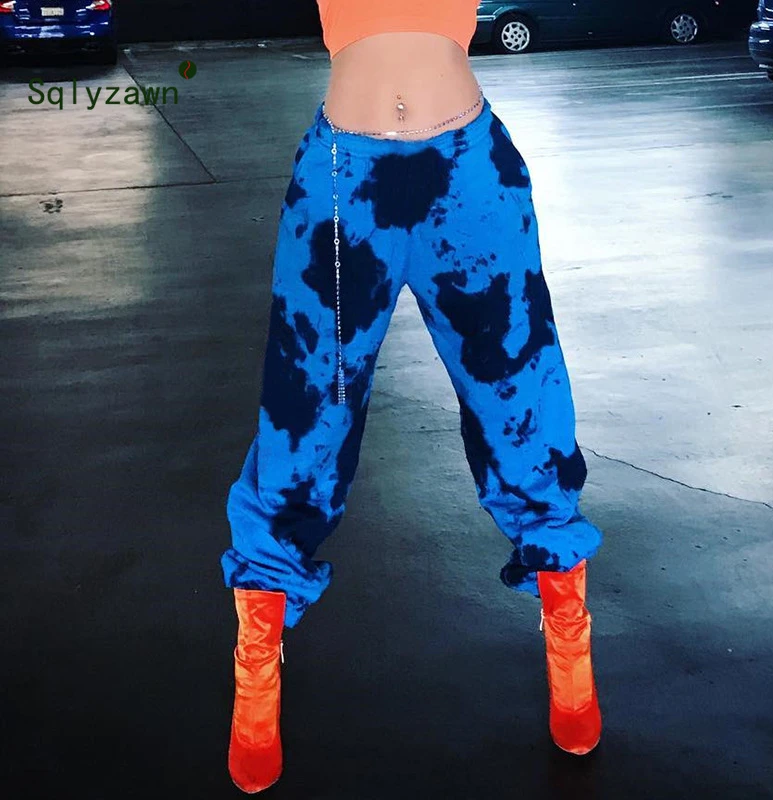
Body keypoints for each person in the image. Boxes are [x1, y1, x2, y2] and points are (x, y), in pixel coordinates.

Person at [221, 0, 604, 792]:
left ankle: (568, 631)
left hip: (470, 174)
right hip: (341, 181)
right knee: (303, 419)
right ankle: (256, 660)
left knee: (522, 404)